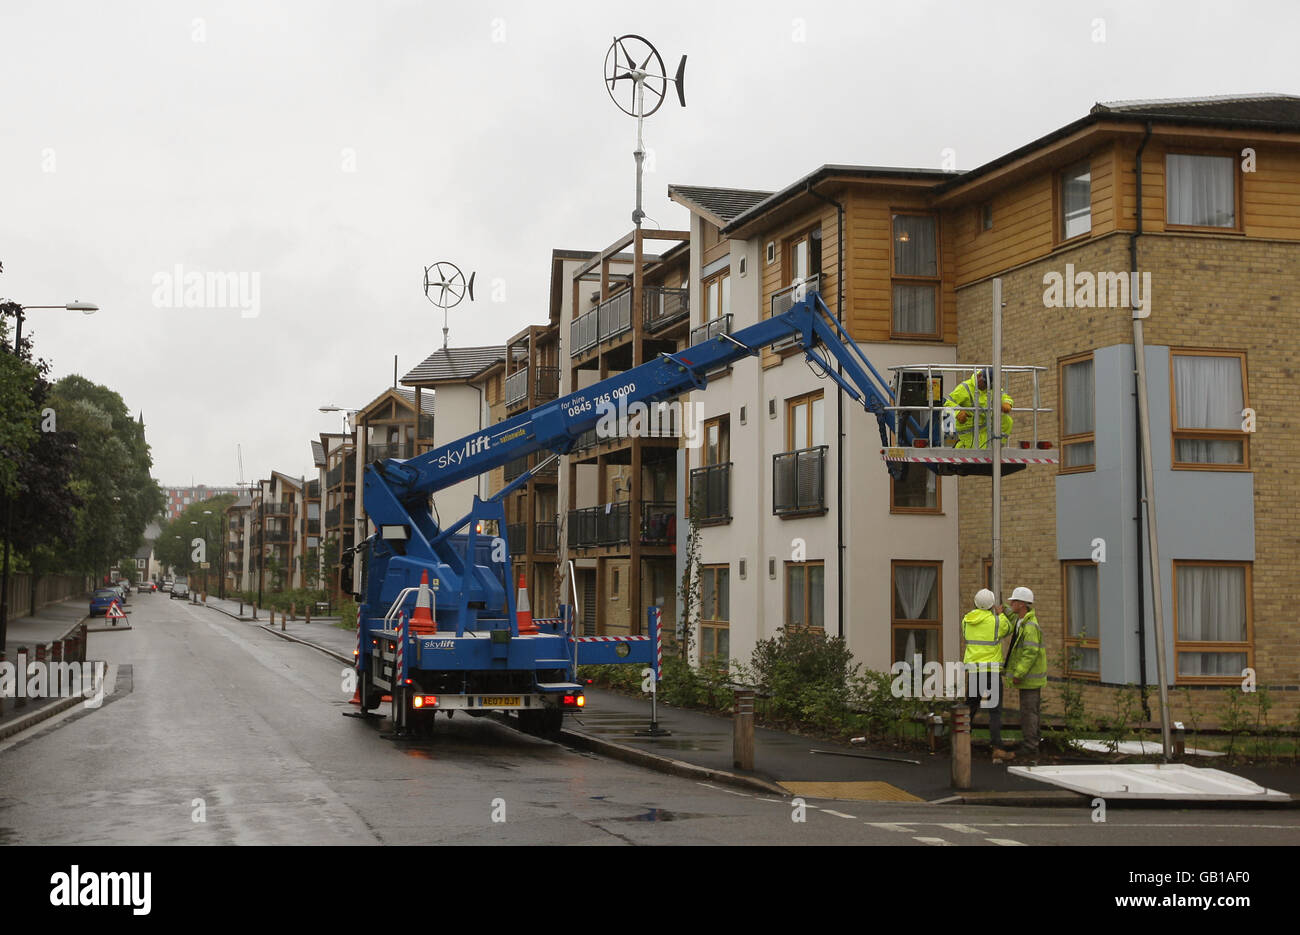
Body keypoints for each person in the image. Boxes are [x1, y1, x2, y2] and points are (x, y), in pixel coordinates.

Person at [961, 588, 1013, 755]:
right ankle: (996, 745)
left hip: (975, 671)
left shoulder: (966, 621)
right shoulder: (996, 621)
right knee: (995, 710)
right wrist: (1001, 614)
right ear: (992, 604)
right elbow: (1008, 628)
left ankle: (961, 741)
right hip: (992, 672)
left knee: (970, 707)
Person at [1003, 586, 1047, 761]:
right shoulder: (1022, 621)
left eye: (1013, 601)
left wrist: (1019, 673)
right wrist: (1004, 610)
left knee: (1029, 713)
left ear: (1021, 604)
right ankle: (1034, 742)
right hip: (1029, 679)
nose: (1011, 603)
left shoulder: (1029, 627)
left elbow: (1030, 653)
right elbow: (1013, 617)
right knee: (1031, 711)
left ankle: (1030, 747)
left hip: (1029, 679)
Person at [944, 367, 1013, 448]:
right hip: (968, 431)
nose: (986, 387)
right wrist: (958, 412)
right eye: (985, 383)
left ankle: (998, 445)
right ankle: (960, 447)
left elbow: (1004, 396)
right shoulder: (965, 388)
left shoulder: (991, 387)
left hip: (985, 429)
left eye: (989, 385)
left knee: (1007, 420)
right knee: (974, 452)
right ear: (979, 376)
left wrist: (1007, 403)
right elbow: (947, 403)